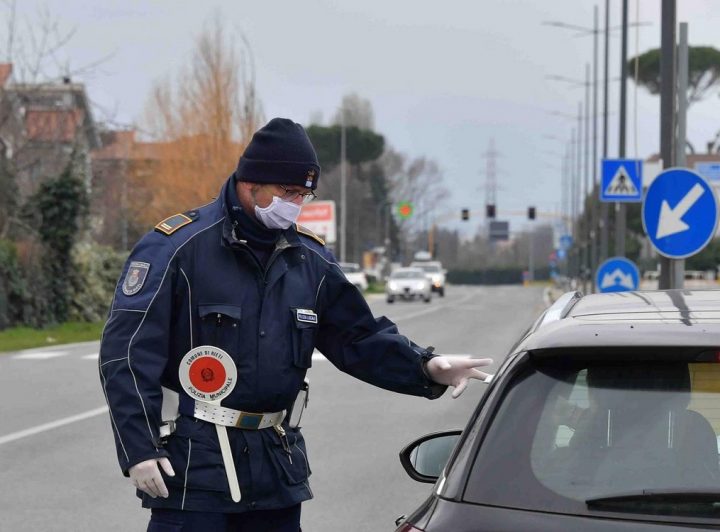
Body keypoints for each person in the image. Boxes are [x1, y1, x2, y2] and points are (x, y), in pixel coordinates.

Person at [99, 117, 492, 532]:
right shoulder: (178, 248)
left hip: (276, 469)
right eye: (287, 192)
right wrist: (139, 449)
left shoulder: (310, 260)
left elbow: (358, 337)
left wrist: (424, 367)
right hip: (196, 475)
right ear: (250, 184)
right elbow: (126, 353)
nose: (296, 204)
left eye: (304, 194)